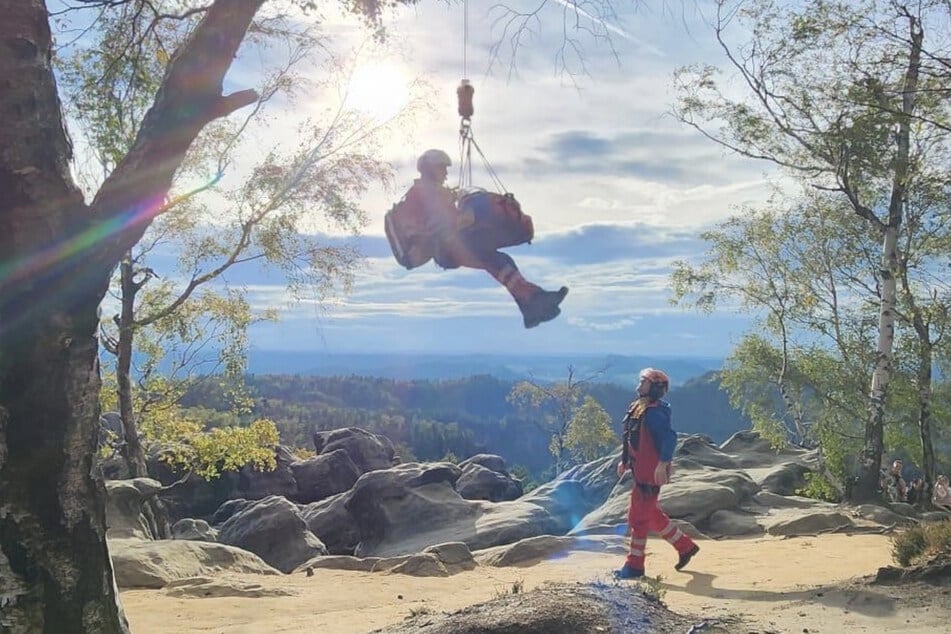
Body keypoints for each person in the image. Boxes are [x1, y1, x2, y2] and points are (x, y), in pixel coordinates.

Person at [403, 149, 569, 329]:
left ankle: (531, 306)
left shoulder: (431, 193)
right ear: (429, 169)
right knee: (497, 261)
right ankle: (534, 303)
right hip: (446, 248)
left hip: (449, 247)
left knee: (500, 261)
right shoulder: (423, 193)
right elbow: (435, 221)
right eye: (442, 168)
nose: (446, 173)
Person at [615, 367, 699, 579]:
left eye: (643, 383)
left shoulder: (654, 413)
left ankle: (634, 566)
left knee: (638, 519)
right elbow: (630, 437)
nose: (638, 386)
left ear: (654, 388)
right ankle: (685, 546)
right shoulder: (639, 408)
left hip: (650, 474)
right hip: (641, 471)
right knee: (650, 513)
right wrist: (625, 461)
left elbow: (669, 438)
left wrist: (663, 464)